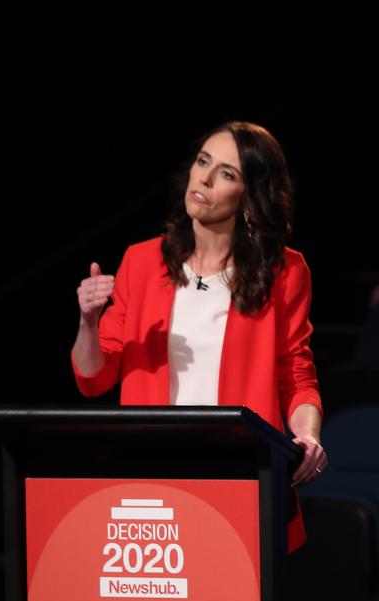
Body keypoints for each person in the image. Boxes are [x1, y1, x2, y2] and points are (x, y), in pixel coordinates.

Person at [71, 122, 325, 552]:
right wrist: (88, 323)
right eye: (203, 162)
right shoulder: (141, 261)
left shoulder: (285, 272)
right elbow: (94, 378)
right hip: (153, 481)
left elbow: (296, 373)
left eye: (226, 173)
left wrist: (308, 437)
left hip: (239, 477)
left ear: (249, 194)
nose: (204, 178)